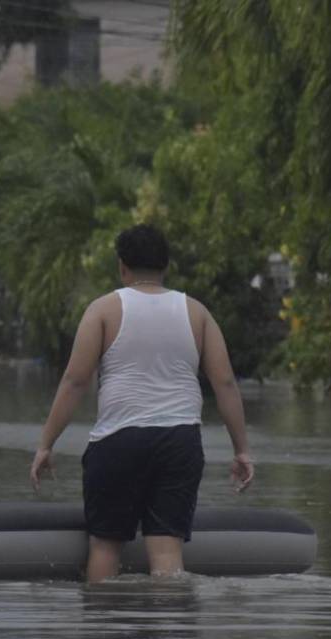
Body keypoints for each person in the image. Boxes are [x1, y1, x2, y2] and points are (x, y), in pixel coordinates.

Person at [30, 224, 254, 582]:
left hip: (118, 440)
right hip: (179, 442)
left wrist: (46, 444)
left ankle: (105, 631)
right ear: (166, 266)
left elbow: (75, 381)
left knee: (104, 547)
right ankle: (168, 631)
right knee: (167, 552)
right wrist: (241, 450)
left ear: (122, 267)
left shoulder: (103, 310)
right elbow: (225, 383)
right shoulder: (197, 313)